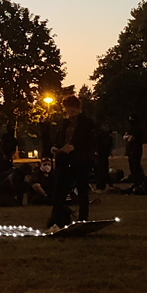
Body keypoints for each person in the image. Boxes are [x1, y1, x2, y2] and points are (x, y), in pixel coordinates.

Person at [47, 95, 97, 229]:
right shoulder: (65, 123)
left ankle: (82, 219)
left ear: (78, 108)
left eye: (72, 111)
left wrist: (74, 147)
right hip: (64, 160)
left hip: (81, 161)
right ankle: (57, 218)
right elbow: (60, 139)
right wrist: (55, 147)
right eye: (68, 111)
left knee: (82, 191)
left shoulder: (87, 123)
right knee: (59, 191)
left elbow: (91, 142)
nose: (70, 113)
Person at [123, 116, 145, 183]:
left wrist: (128, 137)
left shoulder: (137, 129)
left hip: (135, 150)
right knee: (132, 165)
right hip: (130, 150)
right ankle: (135, 179)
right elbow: (124, 137)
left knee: (135, 165)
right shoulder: (130, 129)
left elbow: (131, 139)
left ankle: (138, 180)